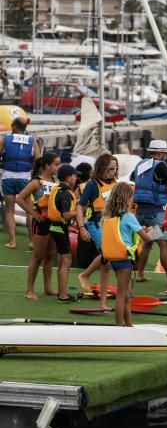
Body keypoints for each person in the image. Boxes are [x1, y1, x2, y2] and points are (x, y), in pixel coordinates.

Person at [102, 182, 154, 326]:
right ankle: (119, 327)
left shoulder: (108, 216)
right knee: (121, 295)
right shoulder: (129, 216)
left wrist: (139, 228)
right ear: (127, 198)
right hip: (124, 261)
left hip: (114, 259)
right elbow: (146, 238)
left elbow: (123, 232)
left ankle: (129, 325)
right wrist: (150, 231)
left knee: (125, 296)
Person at [16, 152, 60, 300]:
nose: (58, 167)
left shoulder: (56, 182)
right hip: (41, 222)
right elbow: (20, 198)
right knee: (37, 256)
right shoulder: (36, 182)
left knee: (50, 255)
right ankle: (29, 290)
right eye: (56, 164)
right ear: (47, 166)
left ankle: (48, 288)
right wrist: (33, 214)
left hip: (54, 222)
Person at [76, 154, 118, 307]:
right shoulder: (92, 185)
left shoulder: (115, 183)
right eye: (110, 169)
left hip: (111, 223)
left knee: (108, 260)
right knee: (107, 256)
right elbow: (80, 206)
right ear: (102, 168)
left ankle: (103, 301)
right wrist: (81, 228)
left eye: (115, 168)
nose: (113, 171)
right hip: (95, 223)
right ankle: (85, 275)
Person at [131, 139, 167, 282]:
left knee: (148, 243)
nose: (165, 156)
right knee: (164, 245)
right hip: (155, 213)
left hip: (140, 213)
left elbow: (133, 178)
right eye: (164, 153)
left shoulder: (139, 164)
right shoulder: (161, 166)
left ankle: (140, 274)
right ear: (160, 153)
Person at [1, 115, 41, 249]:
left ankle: (13, 242)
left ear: (13, 127)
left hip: (8, 177)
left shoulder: (6, 139)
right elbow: (38, 159)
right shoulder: (32, 140)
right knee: (29, 211)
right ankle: (31, 241)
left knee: (9, 211)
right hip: (25, 179)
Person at [46, 164, 81, 302]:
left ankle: (62, 292)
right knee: (66, 261)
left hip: (56, 227)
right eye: (74, 176)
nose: (76, 178)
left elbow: (66, 205)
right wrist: (80, 211)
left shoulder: (59, 189)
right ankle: (63, 295)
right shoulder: (65, 193)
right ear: (68, 178)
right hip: (59, 228)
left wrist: (81, 202)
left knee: (63, 261)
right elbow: (66, 214)